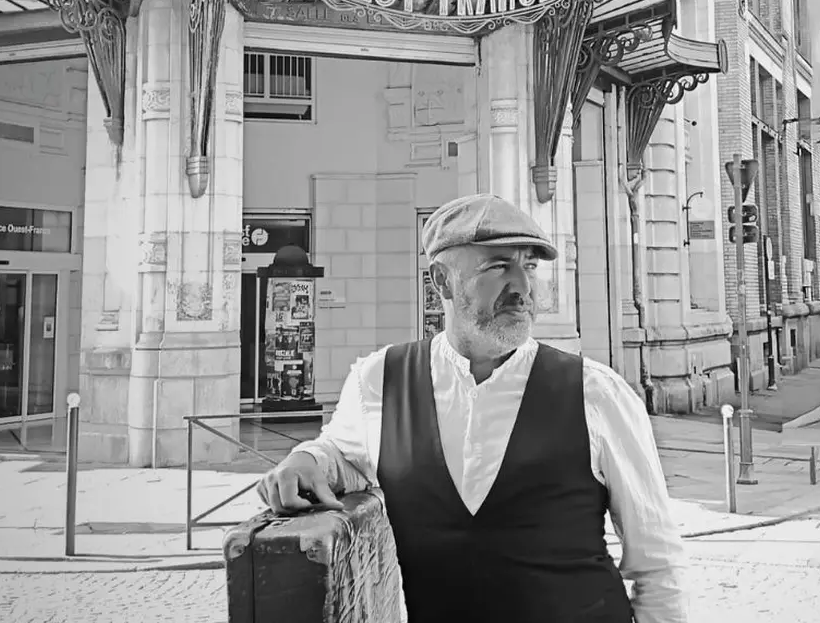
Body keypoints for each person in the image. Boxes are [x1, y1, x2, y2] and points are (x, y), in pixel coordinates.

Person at [258, 193, 689, 623]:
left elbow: (658, 565)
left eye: (529, 267)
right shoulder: (381, 380)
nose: (523, 288)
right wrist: (306, 459)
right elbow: (345, 455)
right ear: (441, 281)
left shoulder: (595, 392)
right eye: (498, 267)